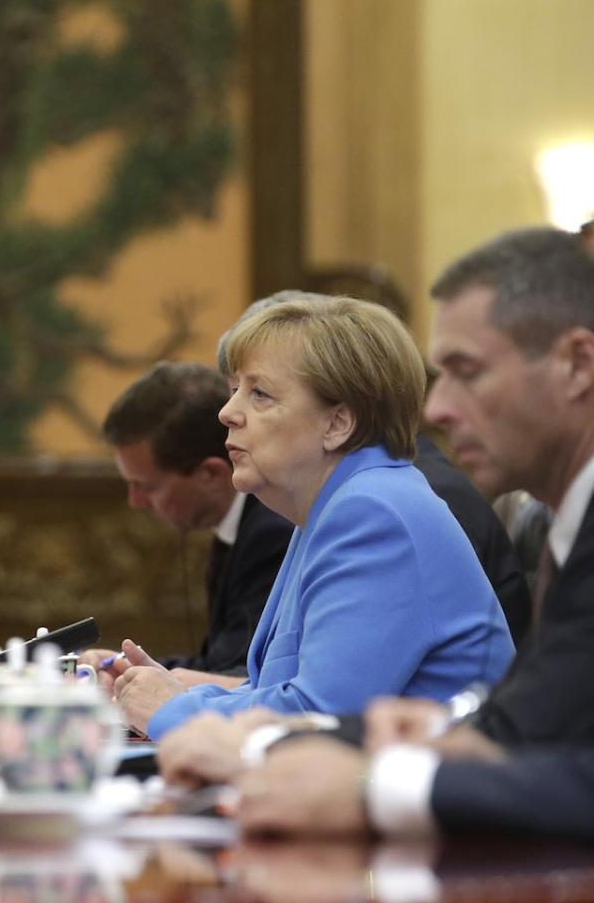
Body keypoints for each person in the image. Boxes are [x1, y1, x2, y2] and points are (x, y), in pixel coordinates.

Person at [215, 226, 594, 839]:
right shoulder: (571, 520)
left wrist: (375, 785)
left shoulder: (376, 508)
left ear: (576, 364)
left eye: (465, 371)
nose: (438, 409)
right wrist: (440, 730)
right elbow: (534, 720)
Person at [116, 296, 514, 739]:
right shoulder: (335, 505)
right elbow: (286, 692)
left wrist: (173, 710)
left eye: (259, 394)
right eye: (234, 391)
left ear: (337, 423)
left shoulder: (374, 513)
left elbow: (319, 715)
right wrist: (175, 694)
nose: (227, 413)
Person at [95, 362, 293, 679]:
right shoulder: (241, 525)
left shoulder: (272, 532)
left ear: (211, 474)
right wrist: (125, 666)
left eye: (147, 486)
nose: (136, 502)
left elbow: (237, 673)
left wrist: (128, 674)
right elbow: (219, 661)